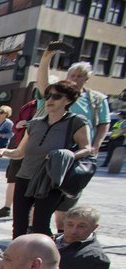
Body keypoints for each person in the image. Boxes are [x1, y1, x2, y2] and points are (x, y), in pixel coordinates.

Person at [0, 80, 92, 239]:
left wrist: (66, 155)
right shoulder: (34, 124)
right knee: (18, 225)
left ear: (68, 100)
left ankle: (46, 258)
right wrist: (4, 151)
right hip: (24, 177)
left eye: (56, 97)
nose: (50, 101)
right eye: (48, 96)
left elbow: (87, 148)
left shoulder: (76, 121)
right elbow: (20, 152)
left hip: (49, 181)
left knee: (40, 225)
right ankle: (19, 259)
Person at [36, 45, 109, 230]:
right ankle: (40, 231)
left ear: (87, 78)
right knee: (42, 195)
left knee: (68, 195)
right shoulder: (56, 93)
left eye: (80, 76)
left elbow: (103, 123)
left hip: (78, 152)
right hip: (51, 150)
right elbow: (43, 86)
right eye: (73, 75)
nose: (76, 79)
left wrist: (95, 145)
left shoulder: (96, 99)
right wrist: (46, 59)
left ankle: (62, 232)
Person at [0, 96, 38, 220]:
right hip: (18, 147)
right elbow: (16, 128)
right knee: (12, 179)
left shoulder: (49, 108)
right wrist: (20, 125)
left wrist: (28, 124)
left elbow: (10, 133)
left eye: (3, 112)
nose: (0, 114)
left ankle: (31, 215)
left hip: (34, 151)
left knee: (33, 184)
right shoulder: (29, 106)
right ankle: (7, 207)